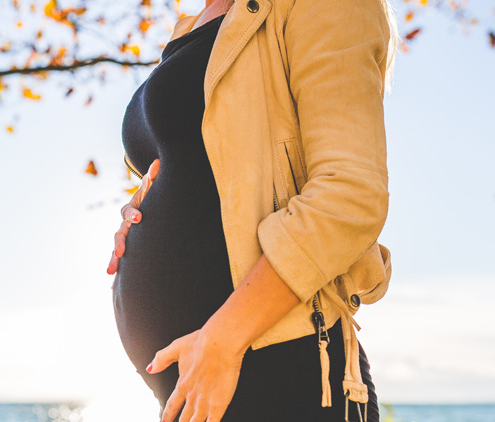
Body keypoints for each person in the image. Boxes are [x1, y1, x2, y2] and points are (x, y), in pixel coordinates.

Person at [106, 0, 399, 421]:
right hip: (196, 381)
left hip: (276, 373)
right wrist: (138, 211)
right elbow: (203, 170)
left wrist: (224, 339)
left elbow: (349, 194)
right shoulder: (193, 24)